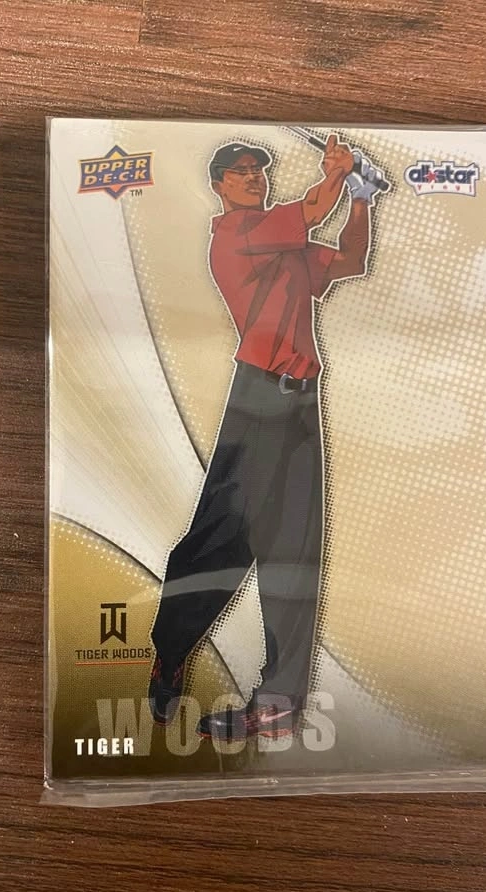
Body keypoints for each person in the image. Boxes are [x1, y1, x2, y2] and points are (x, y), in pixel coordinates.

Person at [148, 133, 381, 740]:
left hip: (301, 403)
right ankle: (170, 653)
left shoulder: (288, 245)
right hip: (257, 398)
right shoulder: (236, 235)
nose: (253, 176)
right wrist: (338, 174)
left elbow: (350, 260)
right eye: (240, 171)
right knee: (218, 541)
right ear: (220, 186)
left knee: (296, 551)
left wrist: (361, 199)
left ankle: (279, 703)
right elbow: (311, 210)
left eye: (258, 169)